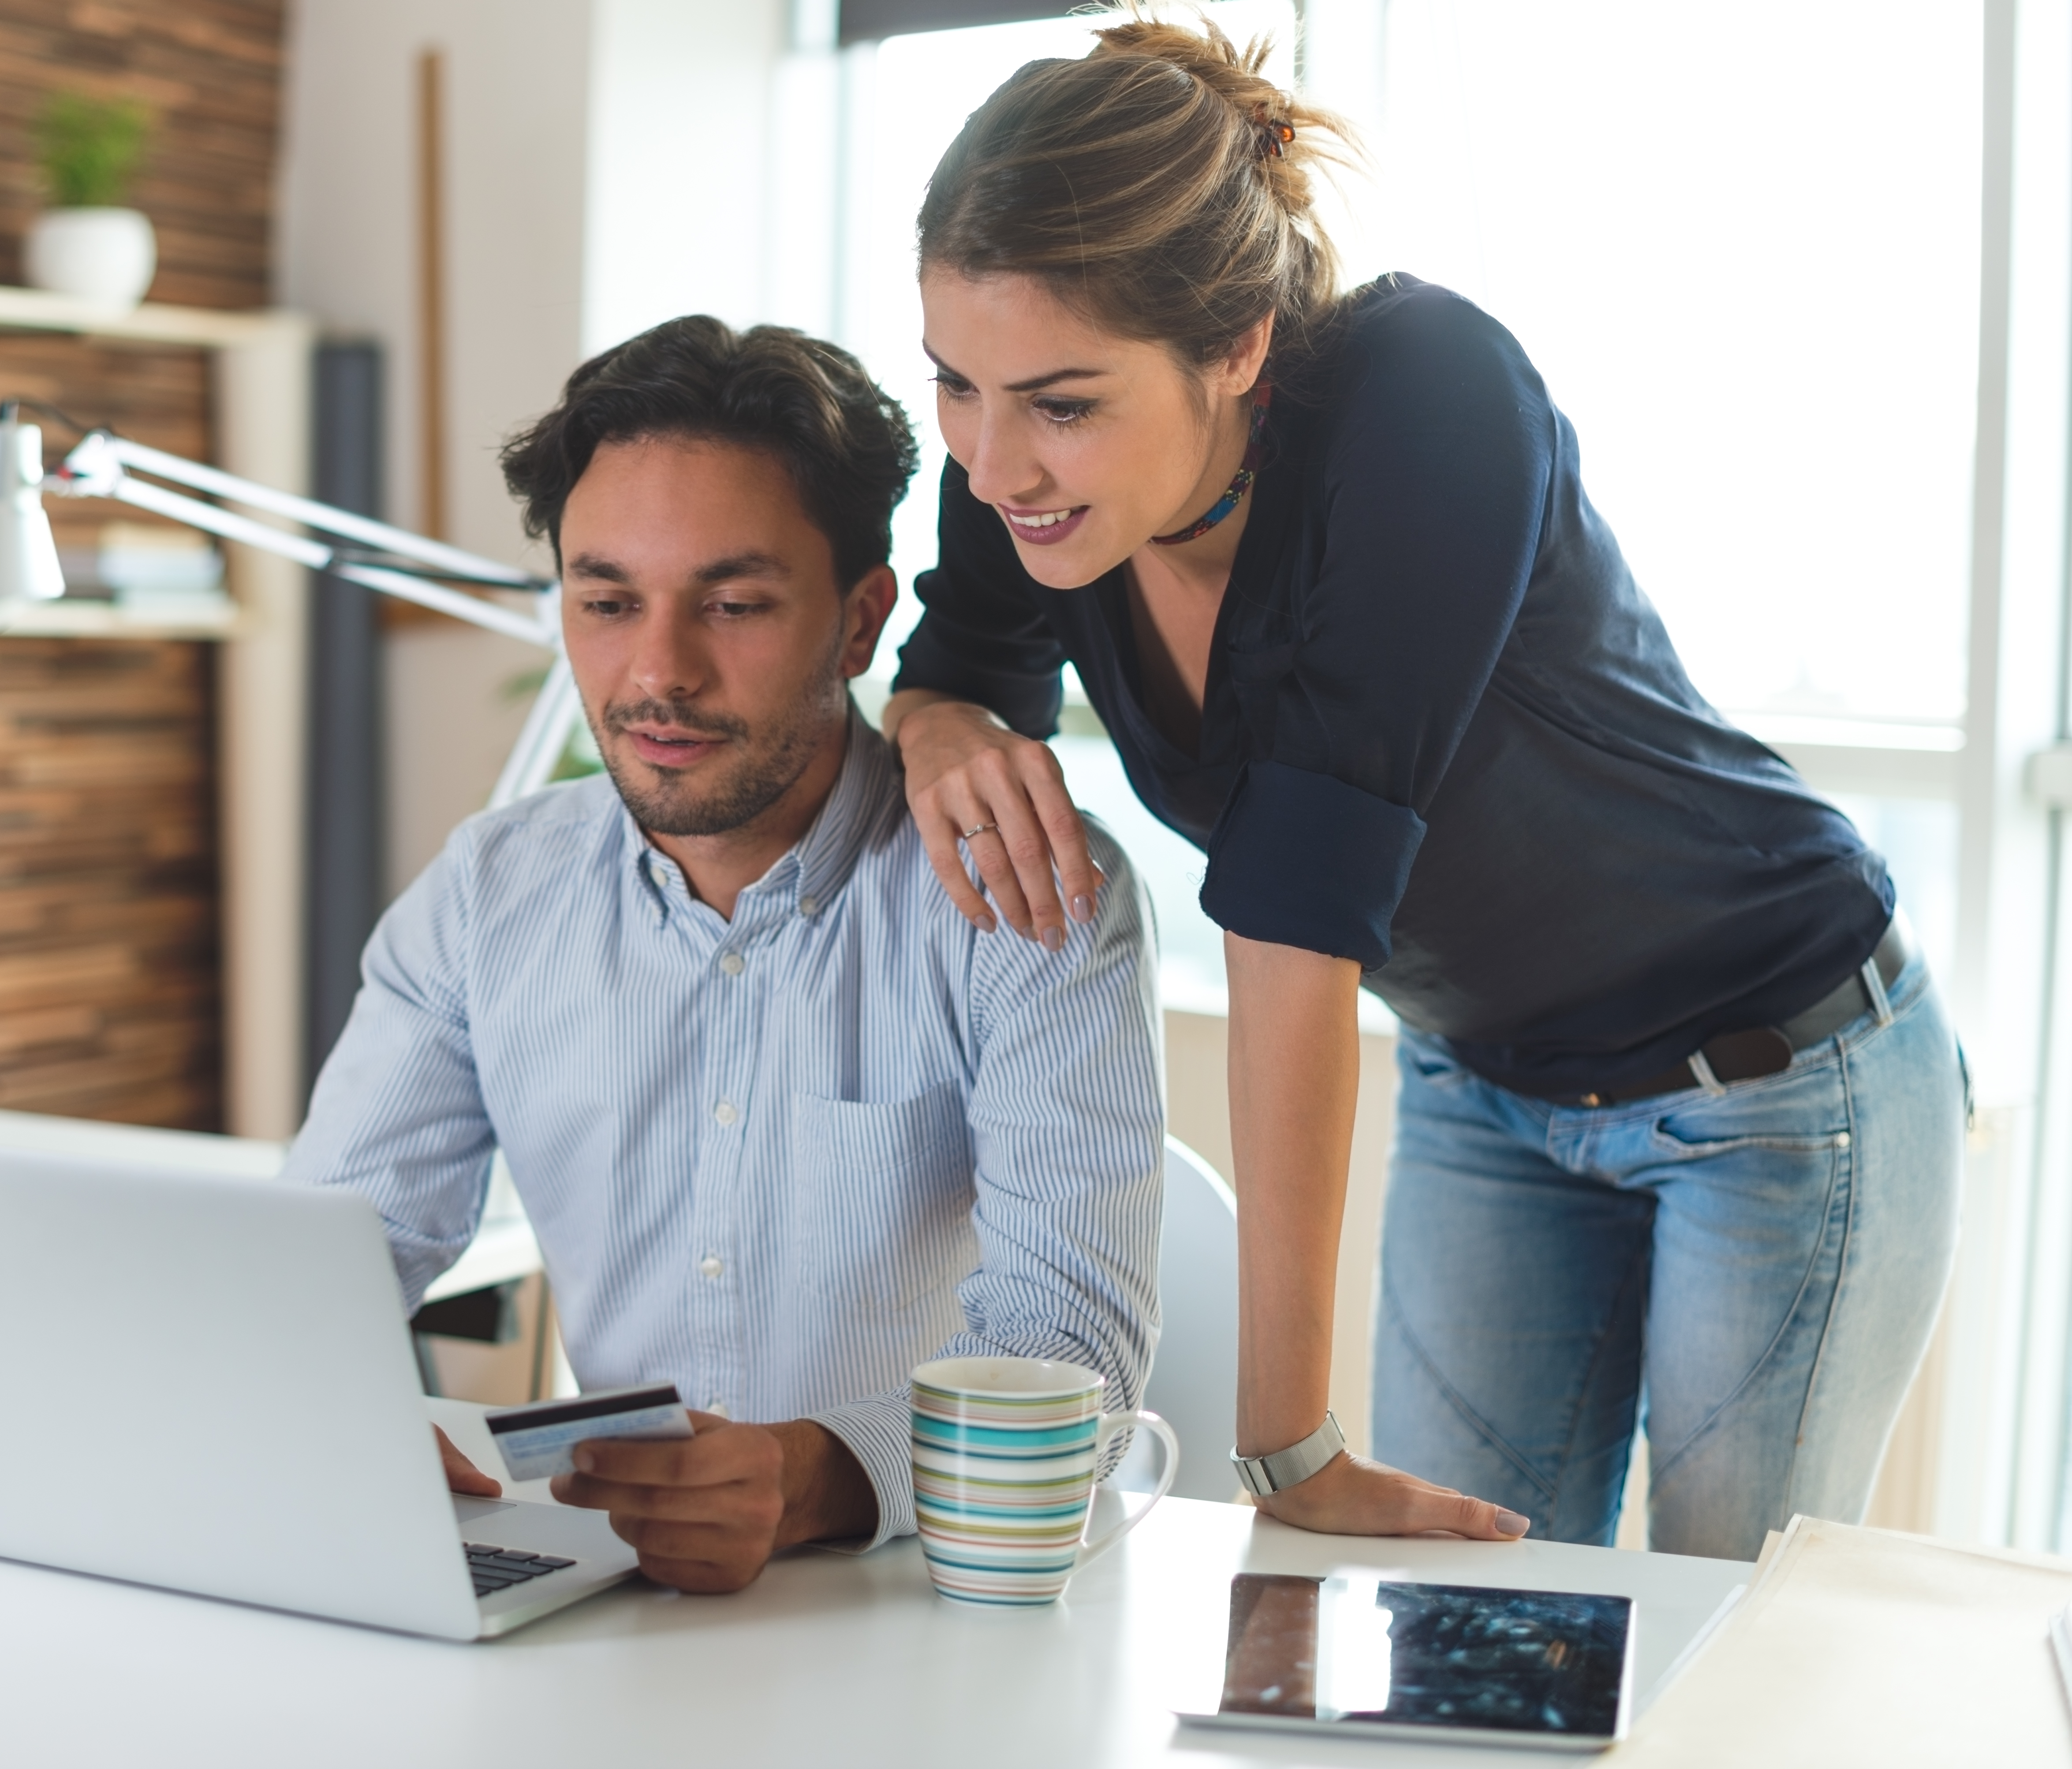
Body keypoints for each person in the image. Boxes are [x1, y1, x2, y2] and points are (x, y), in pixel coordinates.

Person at [881, 18, 1965, 1560]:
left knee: (1716, 1649)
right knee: (1465, 1634)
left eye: (1058, 401)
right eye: (952, 384)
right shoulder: (1020, 472)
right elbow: (962, 655)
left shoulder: (1422, 394)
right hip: (1488, 1086)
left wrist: (1283, 1451)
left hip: (1776, 1071)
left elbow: (1296, 905)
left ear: (1238, 343)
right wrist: (936, 723)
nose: (991, 465)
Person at [284, 315, 1168, 1593]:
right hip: (622, 1600)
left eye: (734, 603)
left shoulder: (1020, 890)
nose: (657, 671)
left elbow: (1065, 1352)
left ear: (860, 620)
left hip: (936, 1607)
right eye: (606, 602)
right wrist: (340, 1423)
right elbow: (326, 1256)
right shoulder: (488, 895)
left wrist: (814, 1473)